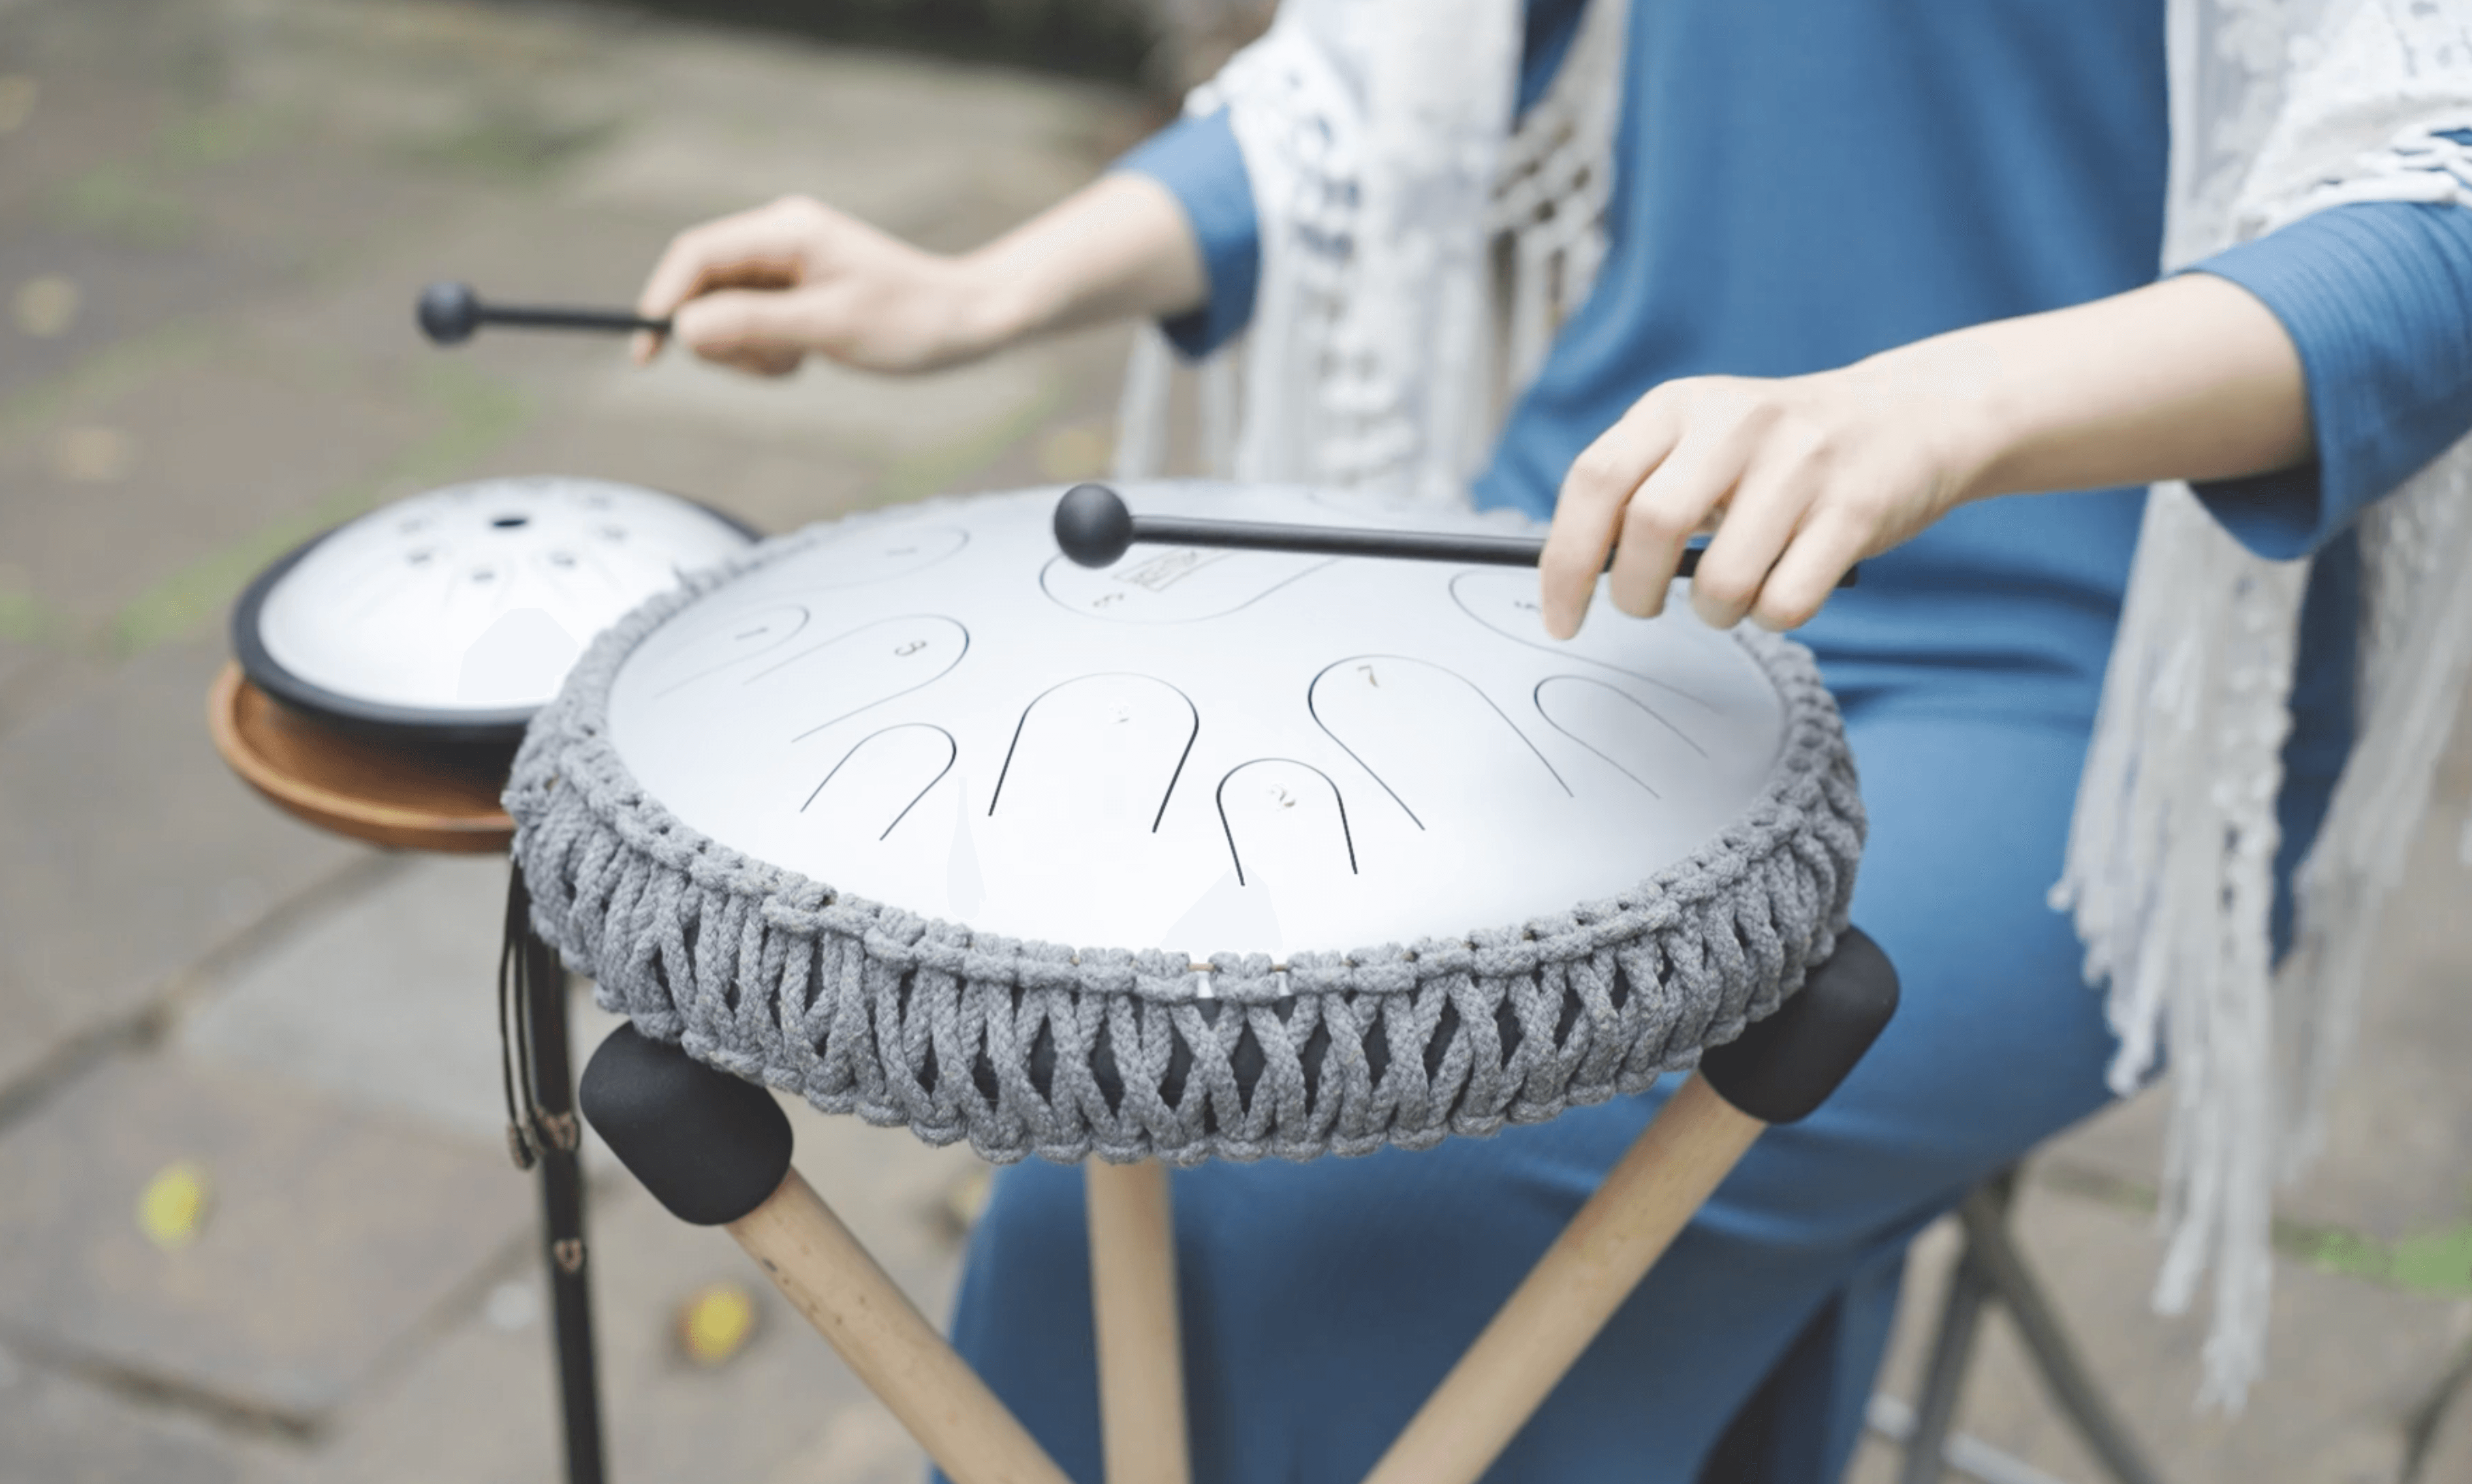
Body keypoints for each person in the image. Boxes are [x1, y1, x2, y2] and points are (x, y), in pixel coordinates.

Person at [627, 2, 2472, 1477]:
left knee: (1383, 1184)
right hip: (1596, 561)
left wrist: (1951, 402)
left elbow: (2444, 196)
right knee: (1123, 1163)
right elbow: (1400, 67)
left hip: (2078, 662)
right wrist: (976, 293)